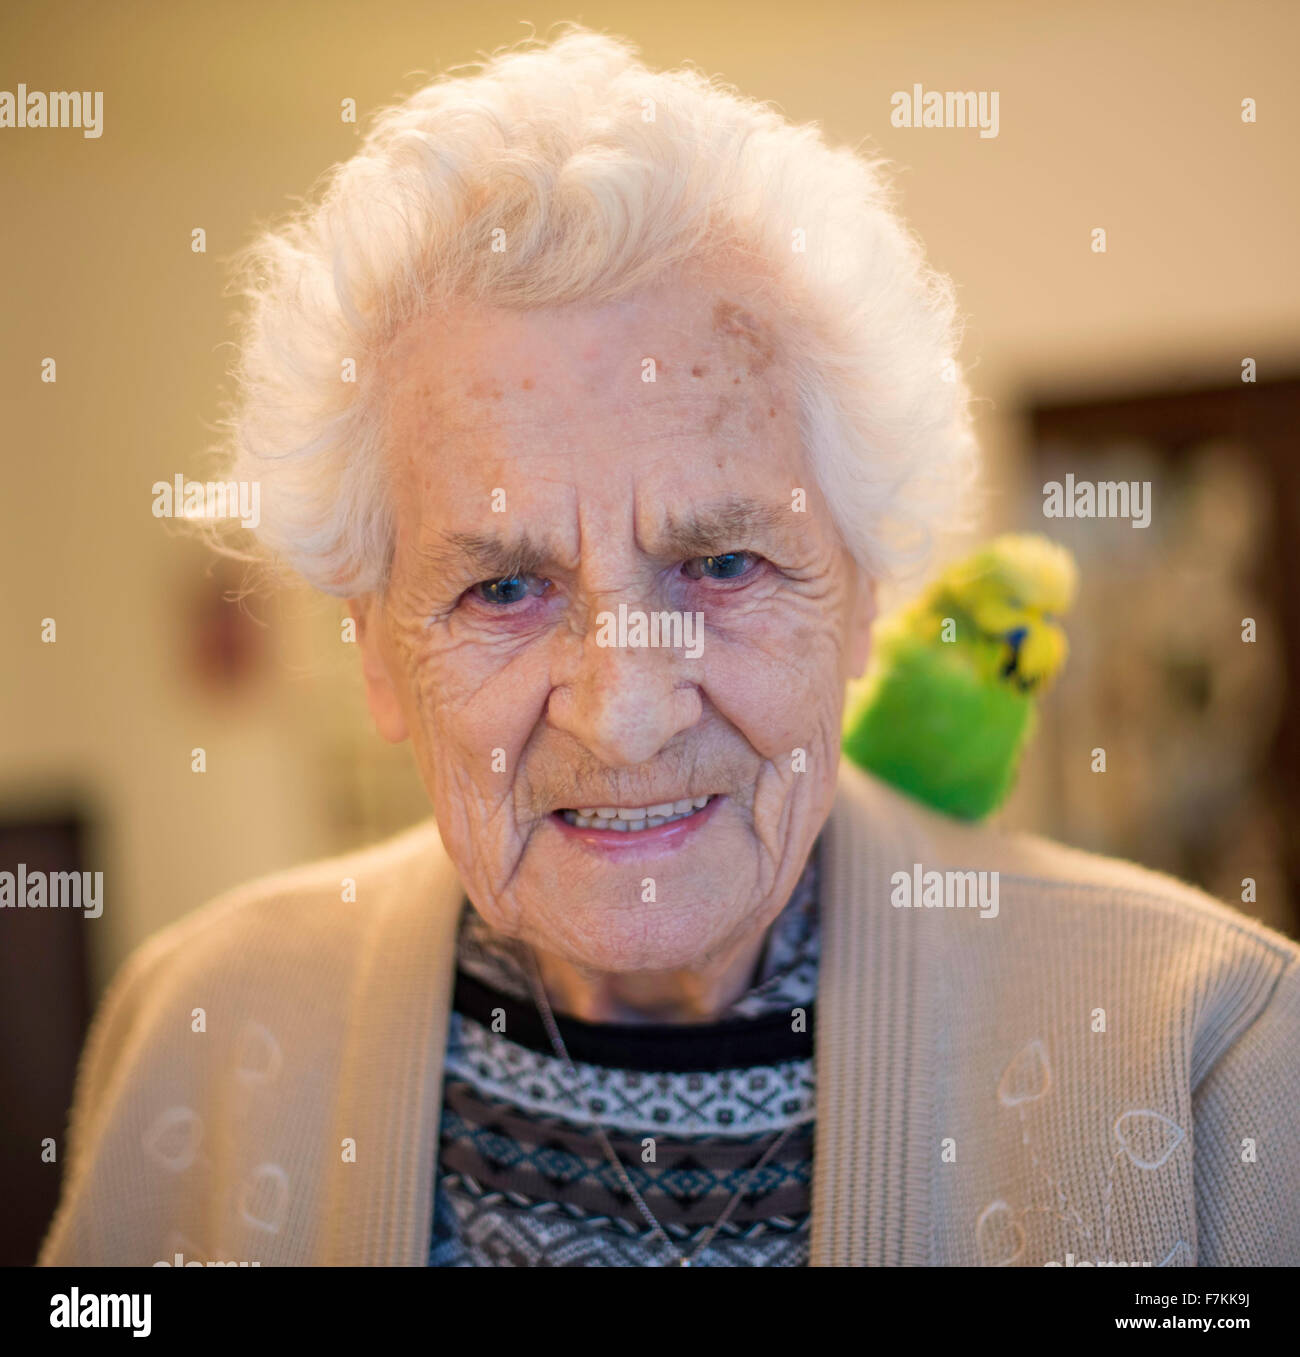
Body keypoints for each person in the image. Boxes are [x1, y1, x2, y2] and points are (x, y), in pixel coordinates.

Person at [40, 26, 1300, 1267]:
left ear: (863, 596)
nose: (625, 713)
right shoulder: (197, 1038)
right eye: (502, 585)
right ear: (373, 649)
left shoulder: (1211, 1055)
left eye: (720, 564)